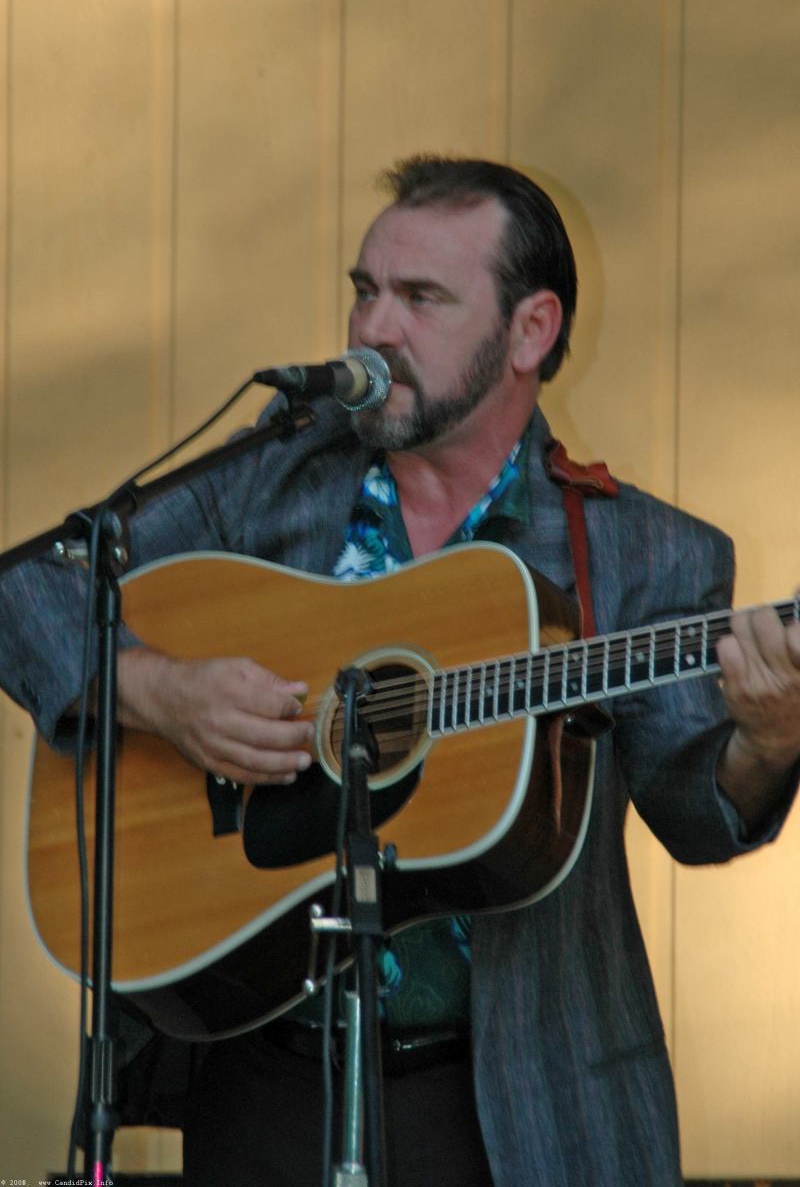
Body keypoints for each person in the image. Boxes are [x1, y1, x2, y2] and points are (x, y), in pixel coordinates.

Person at [2, 156, 800, 1186]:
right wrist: (164, 694)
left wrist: (768, 739)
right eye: (365, 290)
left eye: (421, 298)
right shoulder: (270, 476)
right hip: (260, 1075)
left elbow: (695, 811)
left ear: (531, 331)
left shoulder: (641, 552)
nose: (373, 328)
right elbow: (27, 591)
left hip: (515, 1104)